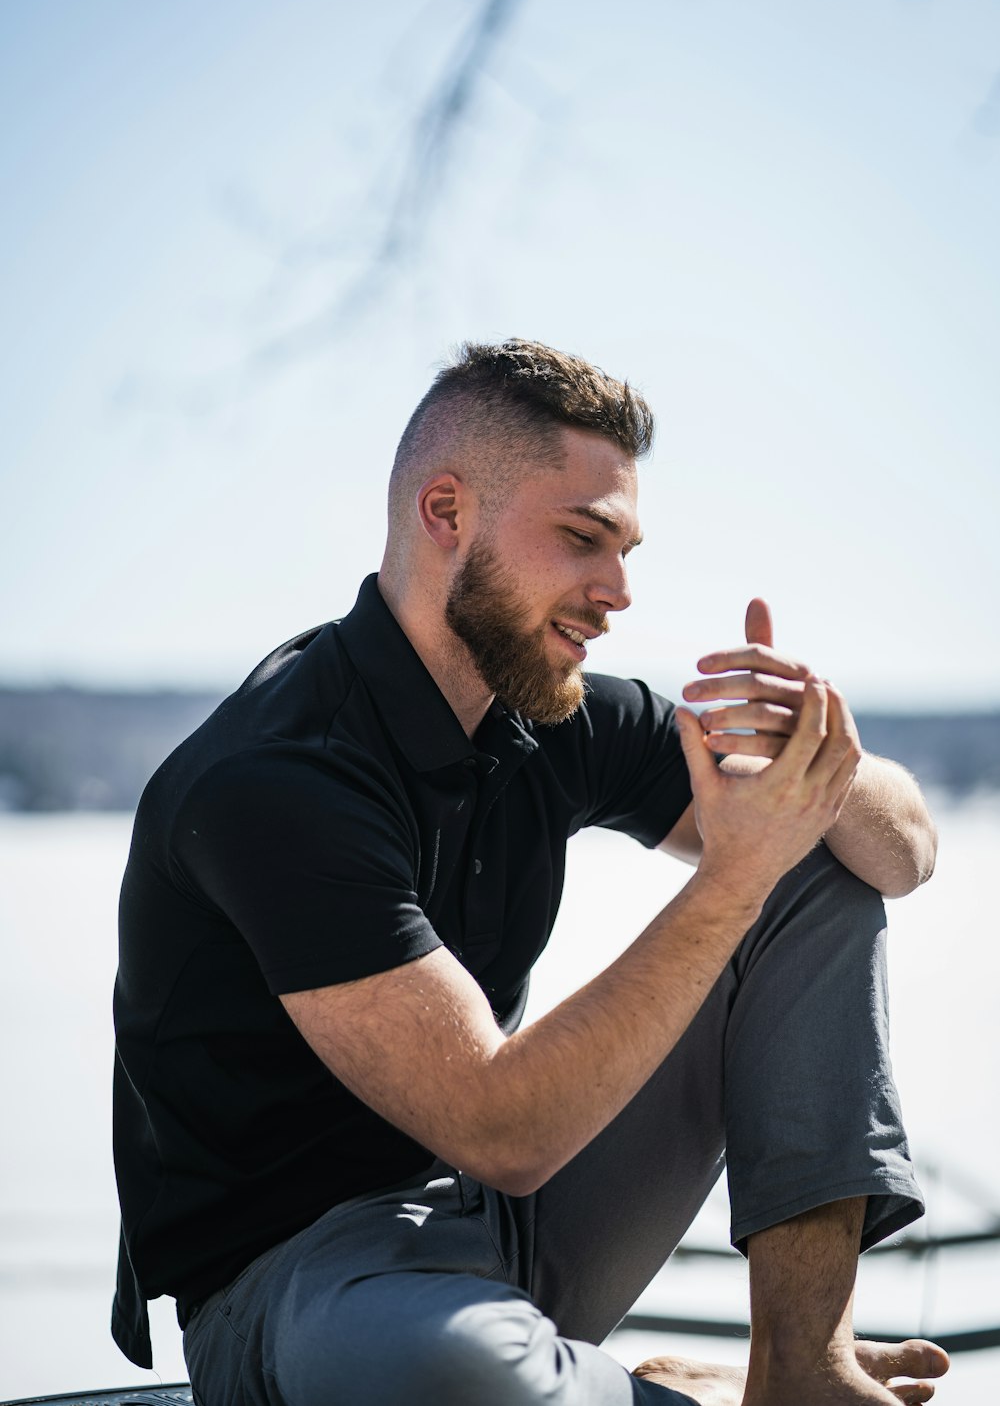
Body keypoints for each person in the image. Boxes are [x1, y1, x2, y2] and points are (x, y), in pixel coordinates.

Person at [112, 338, 948, 1406]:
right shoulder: (272, 782)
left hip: (508, 1232)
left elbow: (904, 854)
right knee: (460, 1371)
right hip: (299, 1292)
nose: (617, 591)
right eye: (582, 539)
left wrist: (811, 759)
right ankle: (618, 1384)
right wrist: (732, 870)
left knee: (811, 869)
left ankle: (798, 1359)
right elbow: (498, 1130)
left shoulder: (547, 715)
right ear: (446, 513)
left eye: (627, 548)